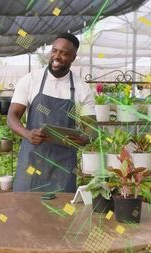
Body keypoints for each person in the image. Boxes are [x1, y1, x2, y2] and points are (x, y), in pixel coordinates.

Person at [7, 33, 95, 193]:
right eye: (54, 50)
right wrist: (27, 134)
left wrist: (83, 138)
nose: (57, 56)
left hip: (63, 165)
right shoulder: (31, 79)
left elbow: (92, 129)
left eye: (64, 53)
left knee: (61, 214)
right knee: (25, 209)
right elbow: (12, 116)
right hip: (32, 161)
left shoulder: (82, 88)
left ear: (73, 57)